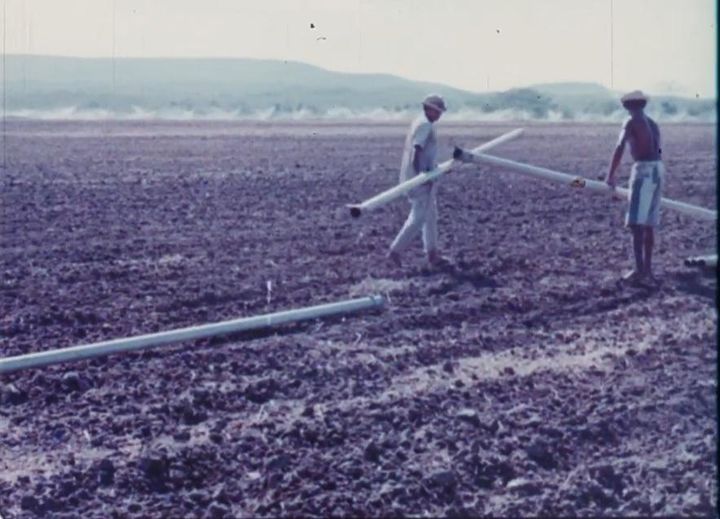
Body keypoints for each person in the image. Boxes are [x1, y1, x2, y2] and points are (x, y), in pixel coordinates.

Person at [605, 90, 664, 284]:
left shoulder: (630, 122)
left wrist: (610, 175)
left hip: (644, 170)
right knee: (648, 223)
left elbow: (619, 146)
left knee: (636, 224)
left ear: (627, 106)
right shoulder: (652, 123)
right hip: (658, 169)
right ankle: (647, 269)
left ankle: (640, 271)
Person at [388, 94, 449, 268]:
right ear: (429, 109)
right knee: (419, 217)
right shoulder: (424, 125)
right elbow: (417, 151)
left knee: (430, 215)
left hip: (420, 177)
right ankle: (395, 251)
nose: (439, 115)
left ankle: (432, 253)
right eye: (437, 111)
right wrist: (423, 176)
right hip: (419, 179)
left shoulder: (421, 122)